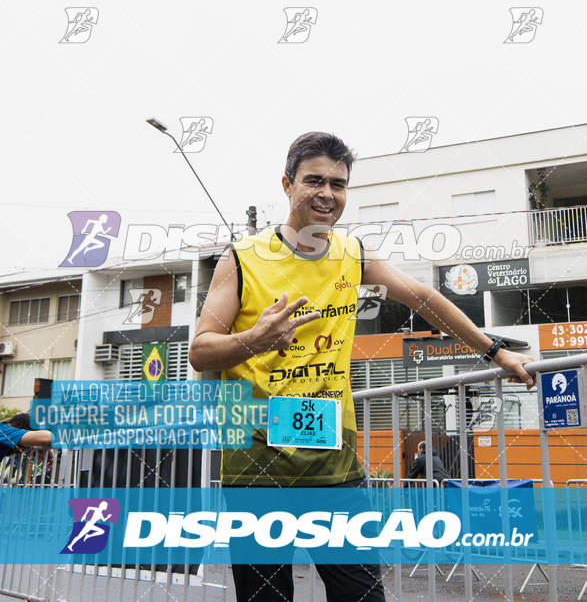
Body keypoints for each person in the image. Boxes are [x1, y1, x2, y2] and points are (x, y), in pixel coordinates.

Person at [189, 132, 536, 602]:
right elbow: (201, 350)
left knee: (363, 595)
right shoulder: (242, 259)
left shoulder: (352, 255)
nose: (327, 194)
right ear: (288, 184)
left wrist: (495, 352)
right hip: (256, 468)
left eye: (338, 184)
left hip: (335, 467)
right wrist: (254, 339)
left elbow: (426, 299)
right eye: (314, 181)